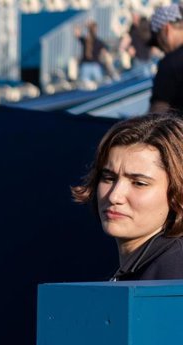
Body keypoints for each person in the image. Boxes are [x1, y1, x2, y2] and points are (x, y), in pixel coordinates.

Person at [72, 113, 183, 280]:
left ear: (178, 191)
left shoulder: (174, 270)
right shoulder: (152, 264)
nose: (114, 196)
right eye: (109, 178)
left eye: (139, 183)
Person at [150, 4, 183, 113]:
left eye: (157, 37)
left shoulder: (170, 64)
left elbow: (158, 112)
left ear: (166, 29)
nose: (159, 45)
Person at [76, 20, 110, 84]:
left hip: (94, 65)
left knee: (98, 83)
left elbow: (105, 51)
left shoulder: (97, 41)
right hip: (87, 66)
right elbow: (77, 33)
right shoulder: (86, 41)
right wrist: (84, 25)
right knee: (86, 84)